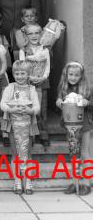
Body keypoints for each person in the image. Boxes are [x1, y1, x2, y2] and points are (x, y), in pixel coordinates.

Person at [1, 60, 40, 195]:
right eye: (17, 74)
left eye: (23, 73)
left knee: (27, 153)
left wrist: (31, 111)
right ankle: (17, 181)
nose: (20, 76)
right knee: (15, 153)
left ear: (28, 74)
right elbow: (3, 104)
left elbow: (37, 107)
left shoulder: (32, 89)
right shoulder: (9, 88)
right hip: (13, 125)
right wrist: (10, 109)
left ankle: (28, 181)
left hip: (28, 125)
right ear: (13, 74)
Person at [56, 61, 93, 196]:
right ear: (66, 75)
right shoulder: (63, 89)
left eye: (76, 75)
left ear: (81, 76)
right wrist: (59, 103)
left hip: (85, 126)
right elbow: (61, 106)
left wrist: (87, 102)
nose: (73, 77)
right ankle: (75, 182)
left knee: (84, 154)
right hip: (71, 127)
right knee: (73, 154)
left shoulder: (87, 89)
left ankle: (87, 183)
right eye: (70, 74)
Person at [19, 24, 50, 147]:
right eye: (30, 33)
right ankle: (31, 135)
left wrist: (43, 77)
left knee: (42, 110)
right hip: (28, 83)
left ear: (41, 34)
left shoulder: (44, 49)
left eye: (36, 33)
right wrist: (29, 77)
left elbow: (47, 66)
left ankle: (43, 134)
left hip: (42, 82)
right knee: (29, 109)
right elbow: (22, 67)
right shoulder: (23, 50)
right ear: (26, 36)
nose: (34, 36)